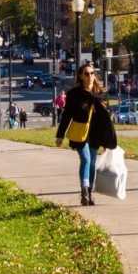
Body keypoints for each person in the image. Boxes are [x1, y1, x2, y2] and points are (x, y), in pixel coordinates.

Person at [55, 62, 117, 206]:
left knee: (93, 163)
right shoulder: (74, 94)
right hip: (79, 132)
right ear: (81, 76)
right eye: (86, 74)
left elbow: (105, 119)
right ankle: (84, 192)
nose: (90, 76)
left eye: (92, 73)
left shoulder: (100, 94)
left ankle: (89, 192)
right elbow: (66, 116)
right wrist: (60, 135)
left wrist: (107, 140)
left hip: (95, 133)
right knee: (86, 159)